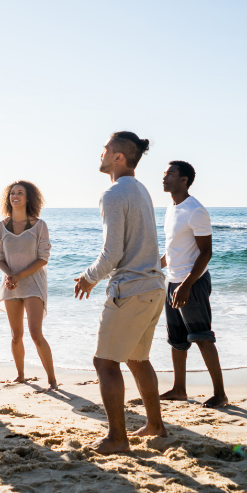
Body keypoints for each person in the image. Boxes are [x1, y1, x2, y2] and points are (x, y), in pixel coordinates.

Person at [74, 132, 167, 454]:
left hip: (131, 289)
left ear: (118, 157)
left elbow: (112, 251)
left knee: (105, 363)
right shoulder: (140, 190)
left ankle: (117, 438)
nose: (100, 154)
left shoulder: (113, 194)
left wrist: (88, 278)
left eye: (105, 150)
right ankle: (155, 425)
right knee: (137, 359)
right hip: (154, 286)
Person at [158, 160, 229, 408]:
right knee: (177, 339)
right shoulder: (171, 208)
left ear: (184, 180)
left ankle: (220, 394)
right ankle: (179, 389)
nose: (164, 177)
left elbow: (205, 253)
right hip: (173, 282)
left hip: (193, 283)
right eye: (165, 173)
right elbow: (173, 248)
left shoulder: (196, 210)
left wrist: (187, 284)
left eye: (170, 174)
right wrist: (157, 267)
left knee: (201, 336)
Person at [0, 181, 59, 391]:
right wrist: (10, 276)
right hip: (11, 284)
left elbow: (43, 258)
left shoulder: (39, 226)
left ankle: (52, 380)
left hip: (33, 284)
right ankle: (20, 376)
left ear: (28, 198)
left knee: (35, 333)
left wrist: (19, 275)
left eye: (20, 193)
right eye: (12, 193)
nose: (15, 196)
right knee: (15, 335)